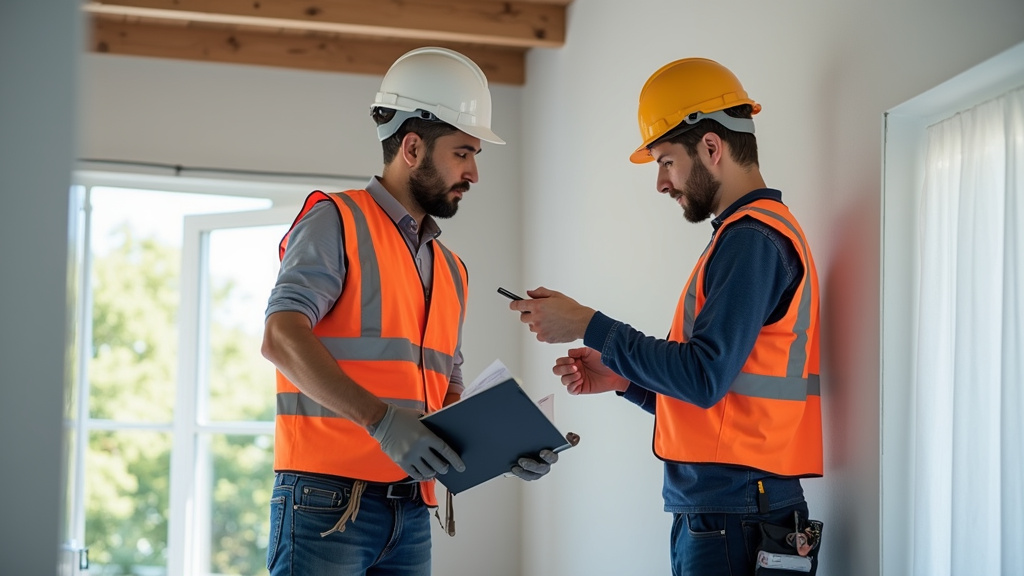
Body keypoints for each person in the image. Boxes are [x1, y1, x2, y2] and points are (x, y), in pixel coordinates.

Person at [510, 57, 823, 576]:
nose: (661, 182)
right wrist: (625, 379)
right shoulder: (744, 237)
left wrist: (591, 325)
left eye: (666, 161)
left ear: (711, 148)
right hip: (731, 510)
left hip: (737, 513)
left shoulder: (752, 240)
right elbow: (717, 403)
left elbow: (702, 377)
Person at [261, 46, 558, 576]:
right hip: (326, 501)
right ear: (413, 148)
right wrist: (381, 423)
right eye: (462, 153)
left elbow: (447, 394)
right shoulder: (336, 221)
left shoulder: (451, 268)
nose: (473, 173)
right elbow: (280, 338)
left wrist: (501, 449)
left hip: (412, 509)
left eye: (475, 156)